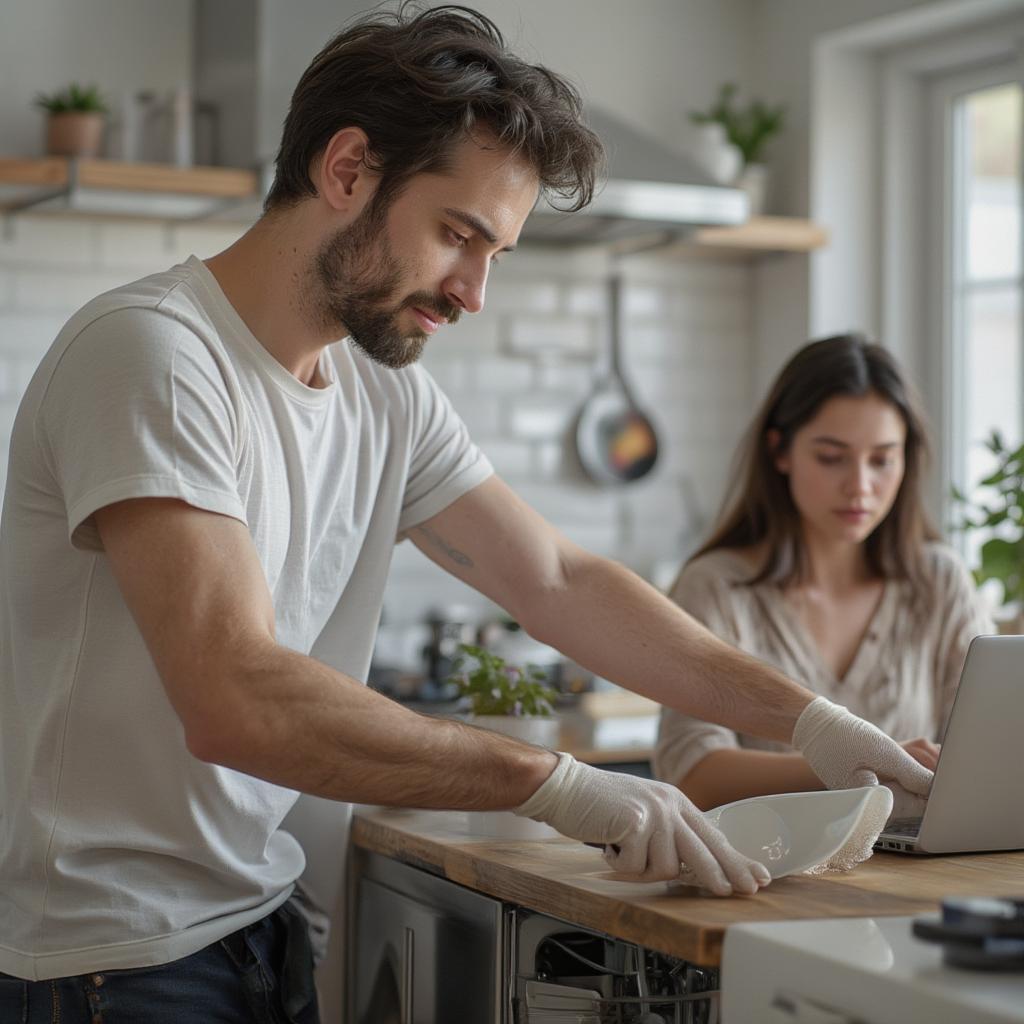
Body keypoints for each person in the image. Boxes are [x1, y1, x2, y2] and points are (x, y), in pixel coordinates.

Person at [0, 7, 932, 1022]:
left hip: (258, 927)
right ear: (348, 168)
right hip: (111, 959)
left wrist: (809, 717)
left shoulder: (381, 392)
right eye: (458, 235)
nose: (475, 292)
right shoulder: (156, 355)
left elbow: (556, 580)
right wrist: (558, 784)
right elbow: (235, 693)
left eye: (497, 253)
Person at [654, 334, 994, 812]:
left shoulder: (939, 580)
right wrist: (855, 763)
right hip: (768, 876)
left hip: (918, 874)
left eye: (882, 460)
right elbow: (692, 773)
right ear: (780, 452)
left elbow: (995, 750)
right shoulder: (717, 587)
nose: (859, 486)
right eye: (831, 457)